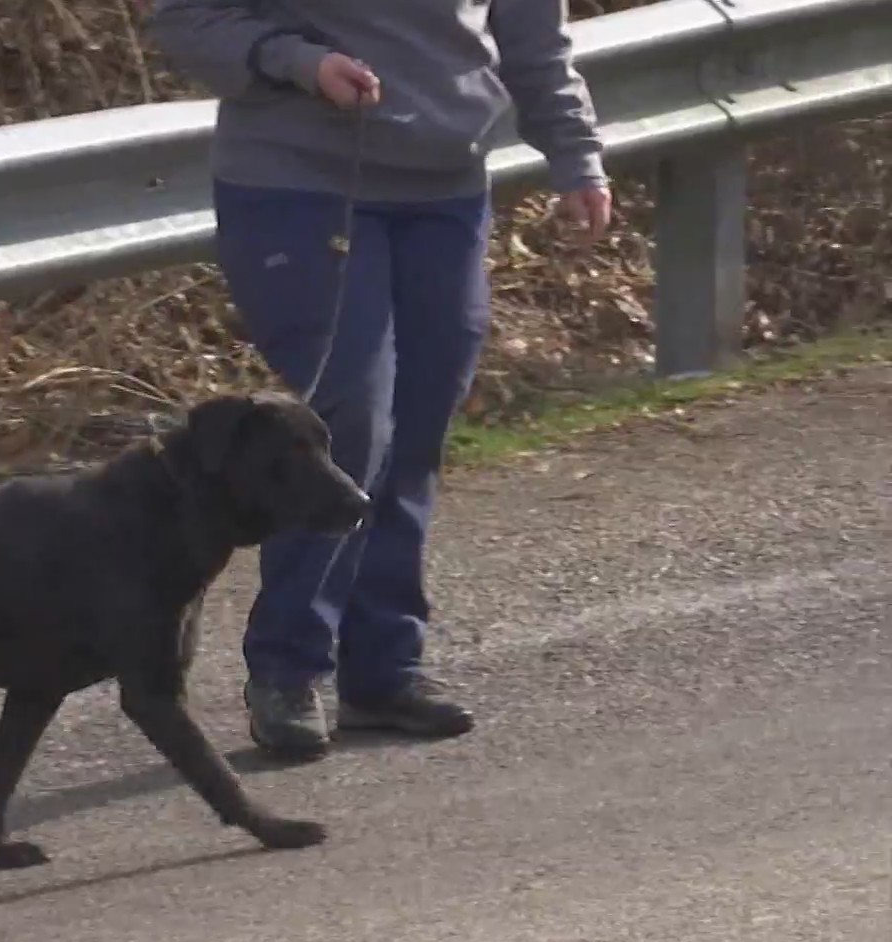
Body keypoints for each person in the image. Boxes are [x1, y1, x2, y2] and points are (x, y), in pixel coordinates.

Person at [145, 0, 613, 760]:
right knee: (348, 423)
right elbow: (186, 19)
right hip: (297, 183)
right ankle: (287, 671)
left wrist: (575, 153)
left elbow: (535, 39)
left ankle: (383, 670)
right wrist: (298, 62)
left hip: (447, 188)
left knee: (419, 425)